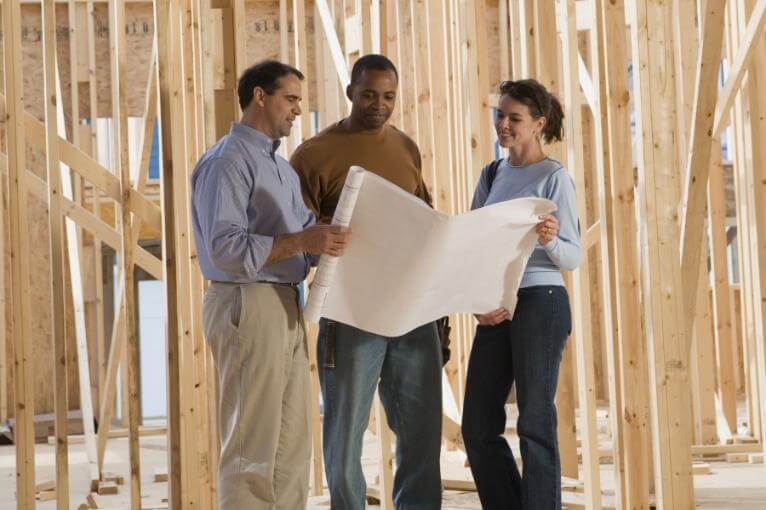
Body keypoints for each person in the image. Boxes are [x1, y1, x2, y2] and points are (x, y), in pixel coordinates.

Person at [191, 60, 350, 509]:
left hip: (284, 303)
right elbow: (225, 250)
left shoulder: (277, 167)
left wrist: (337, 240)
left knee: (290, 445)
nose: (298, 109)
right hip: (247, 300)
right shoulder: (227, 161)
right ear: (260, 96)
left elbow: (306, 243)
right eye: (291, 98)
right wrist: (304, 238)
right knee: (250, 448)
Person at [289, 54, 443, 509]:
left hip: (411, 309)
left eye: (389, 96)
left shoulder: (405, 148)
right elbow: (302, 236)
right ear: (351, 92)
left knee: (420, 432)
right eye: (370, 94)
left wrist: (441, 320)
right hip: (351, 313)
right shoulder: (315, 154)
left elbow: (425, 222)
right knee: (345, 433)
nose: (380, 104)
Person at [461, 79, 582, 510]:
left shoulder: (554, 177)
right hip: (498, 305)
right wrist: (478, 301)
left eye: (514, 118)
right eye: (500, 115)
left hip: (541, 301)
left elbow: (572, 257)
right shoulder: (491, 174)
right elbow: (473, 243)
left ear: (538, 124)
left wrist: (550, 239)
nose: (504, 125)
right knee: (476, 426)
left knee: (534, 420)